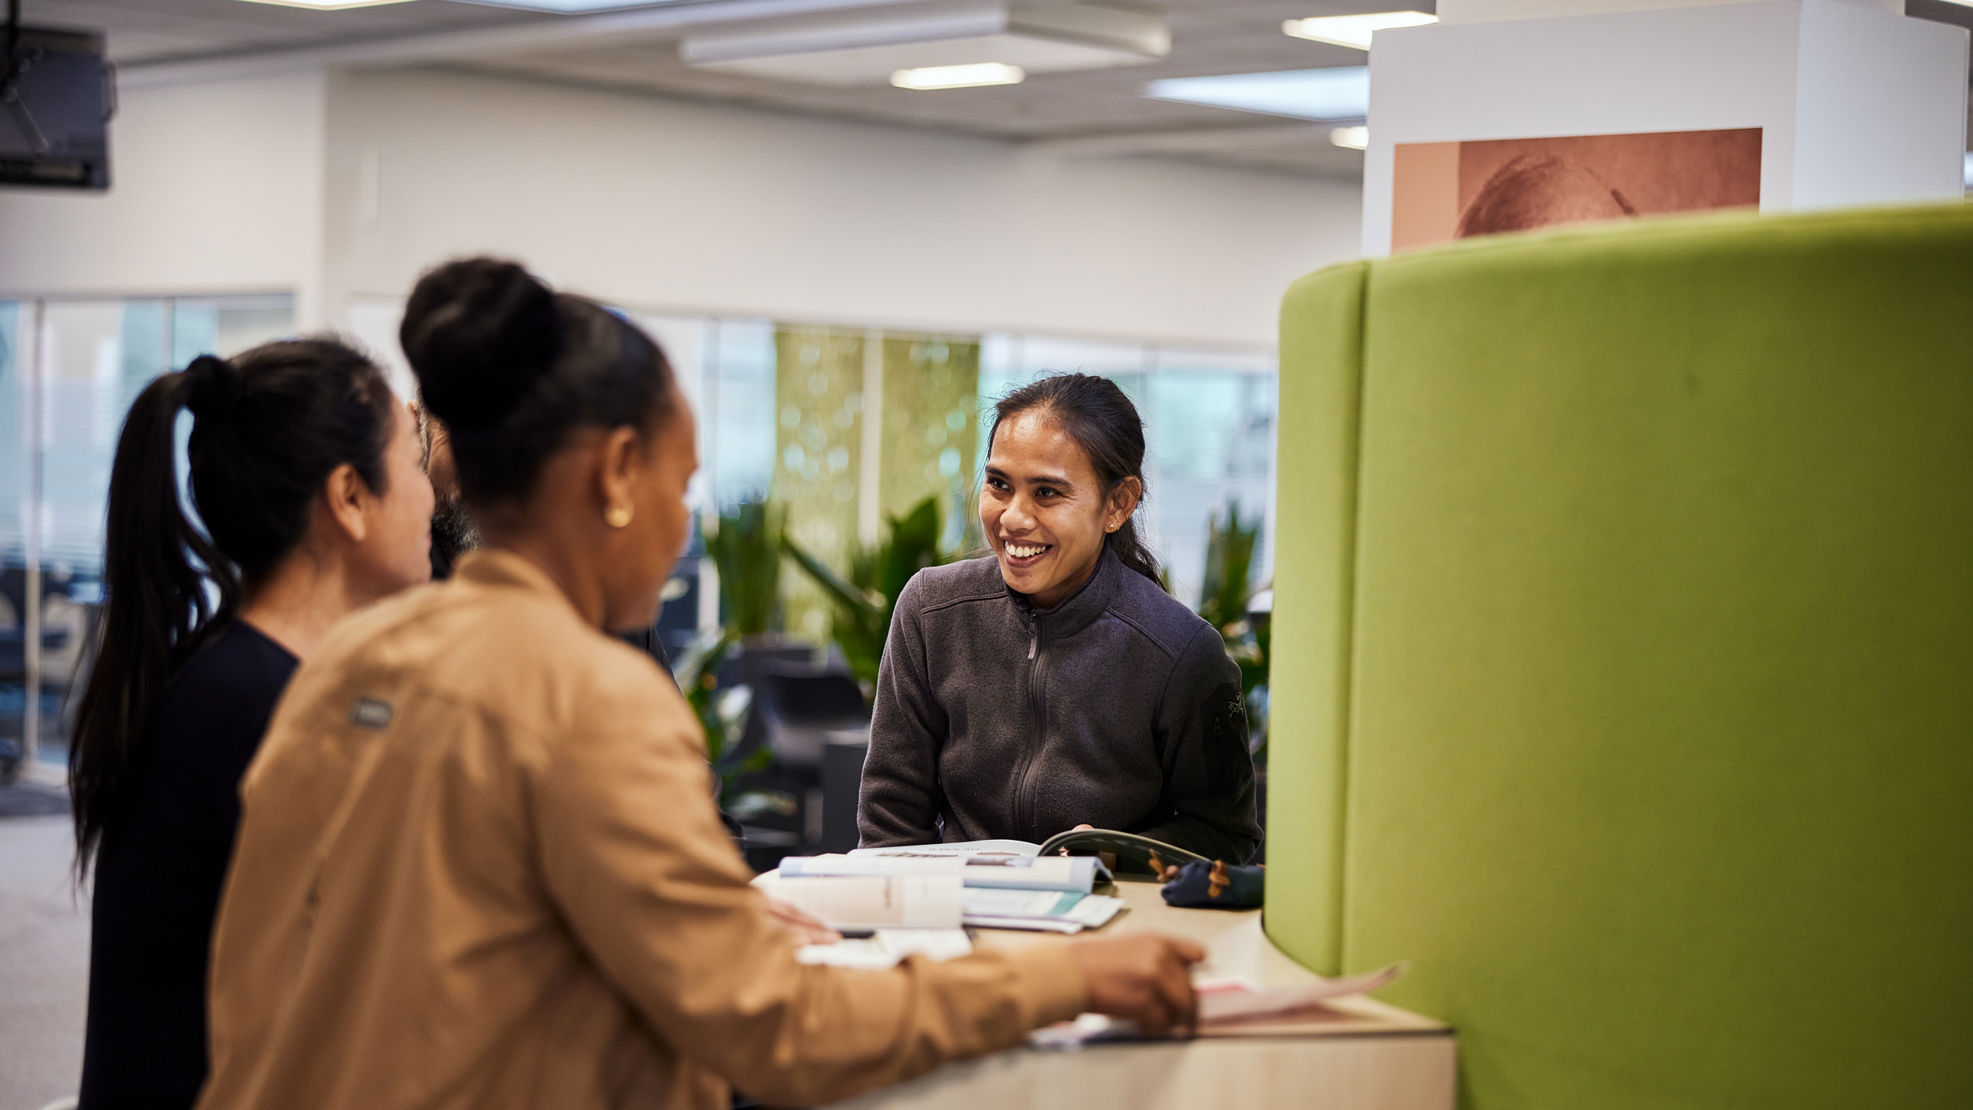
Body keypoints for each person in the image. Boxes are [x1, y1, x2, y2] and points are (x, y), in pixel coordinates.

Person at [196, 258, 1203, 1110]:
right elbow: (778, 1028)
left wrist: (702, 919)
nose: (685, 525)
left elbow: (276, 983)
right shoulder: (591, 699)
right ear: (615, 475)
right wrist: (1058, 978)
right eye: (681, 486)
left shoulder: (348, 664)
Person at [70, 339, 433, 1110]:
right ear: (349, 497)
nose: (432, 495)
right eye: (414, 461)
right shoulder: (259, 709)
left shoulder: (239, 676)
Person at [858, 373, 1262, 863]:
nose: (1013, 518)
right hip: (956, 904)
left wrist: (1117, 853)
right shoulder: (930, 610)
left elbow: (1227, 838)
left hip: (1112, 906)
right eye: (999, 484)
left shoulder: (1182, 652)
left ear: (1118, 504)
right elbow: (890, 826)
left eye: (1047, 492)